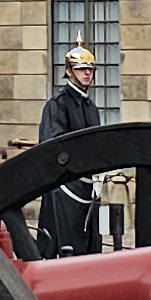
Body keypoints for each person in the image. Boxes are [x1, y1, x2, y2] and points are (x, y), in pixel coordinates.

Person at [35, 45, 107, 257]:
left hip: (89, 183)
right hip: (65, 184)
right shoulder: (57, 104)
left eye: (90, 69)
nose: (87, 73)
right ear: (69, 71)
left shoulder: (91, 107)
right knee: (67, 244)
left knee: (92, 240)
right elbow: (53, 145)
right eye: (81, 69)